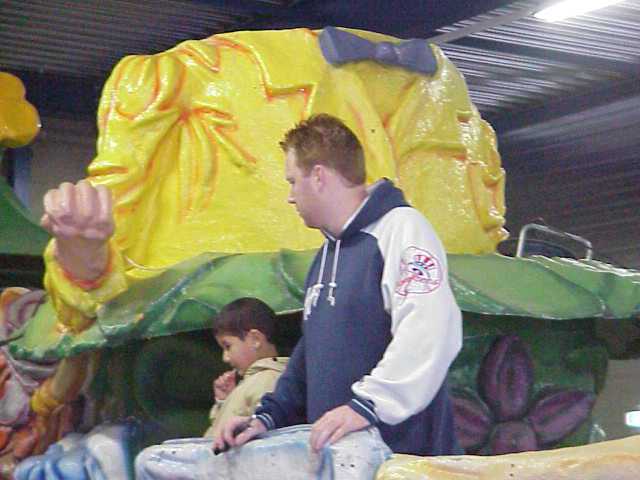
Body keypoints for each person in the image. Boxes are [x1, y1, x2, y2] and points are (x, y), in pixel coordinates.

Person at [214, 113, 463, 456]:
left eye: (292, 181)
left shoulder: (401, 230)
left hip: (401, 459)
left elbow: (430, 329)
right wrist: (266, 417)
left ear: (318, 176)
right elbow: (310, 354)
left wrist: (368, 405)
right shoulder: (326, 257)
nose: (290, 197)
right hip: (342, 462)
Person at [203, 297, 288, 438]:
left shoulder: (267, 380)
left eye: (228, 346)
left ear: (256, 339)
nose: (225, 358)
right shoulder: (254, 381)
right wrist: (225, 401)